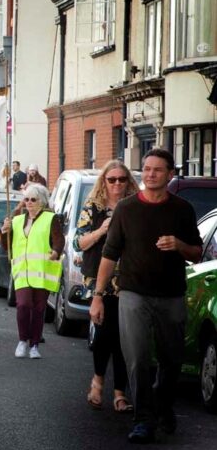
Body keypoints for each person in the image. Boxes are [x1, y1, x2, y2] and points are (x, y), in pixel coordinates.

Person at [91, 149, 202, 444]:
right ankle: (143, 419)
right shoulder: (127, 209)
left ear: (170, 174)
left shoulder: (182, 209)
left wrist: (179, 244)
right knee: (138, 357)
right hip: (133, 293)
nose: (150, 174)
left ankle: (163, 405)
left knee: (171, 358)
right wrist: (98, 296)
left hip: (171, 295)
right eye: (146, 169)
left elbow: (197, 251)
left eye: (157, 170)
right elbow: (109, 254)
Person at [75, 160, 139, 413]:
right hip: (100, 279)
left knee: (124, 338)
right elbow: (80, 243)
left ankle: (119, 393)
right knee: (104, 333)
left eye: (121, 179)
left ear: (128, 182)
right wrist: (102, 230)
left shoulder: (134, 207)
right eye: (111, 180)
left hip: (129, 278)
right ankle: (98, 380)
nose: (116, 184)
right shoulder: (94, 207)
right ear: (104, 182)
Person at [1, 184, 63, 360]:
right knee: (23, 305)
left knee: (38, 308)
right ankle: (22, 340)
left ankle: (34, 345)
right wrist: (3, 232)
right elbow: (7, 246)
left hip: (42, 272)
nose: (28, 203)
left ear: (42, 201)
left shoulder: (51, 218)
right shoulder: (17, 220)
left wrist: (56, 252)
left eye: (33, 199)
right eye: (26, 199)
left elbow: (59, 240)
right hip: (22, 271)